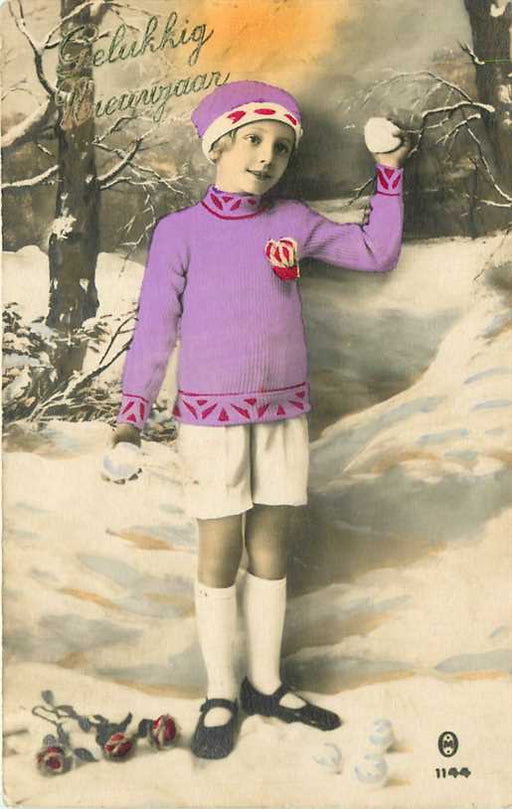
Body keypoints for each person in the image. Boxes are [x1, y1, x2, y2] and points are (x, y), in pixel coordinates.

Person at [107, 80, 410, 760]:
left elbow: (377, 252)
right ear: (218, 144)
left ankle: (266, 684)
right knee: (220, 553)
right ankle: (220, 691)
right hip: (209, 422)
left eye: (281, 147)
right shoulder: (179, 232)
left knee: (271, 550)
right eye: (253, 139)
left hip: (283, 414)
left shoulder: (292, 220)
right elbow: (154, 329)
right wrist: (131, 417)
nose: (267, 156)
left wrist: (389, 172)